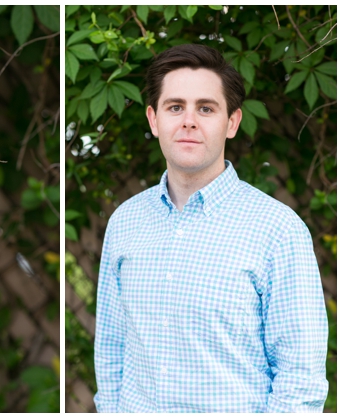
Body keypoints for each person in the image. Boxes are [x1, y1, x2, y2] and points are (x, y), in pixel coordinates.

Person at [93, 44, 328, 413]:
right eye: (175, 107)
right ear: (154, 120)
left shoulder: (278, 230)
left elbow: (301, 378)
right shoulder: (125, 221)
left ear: (231, 122)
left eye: (206, 108)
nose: (189, 121)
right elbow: (111, 346)